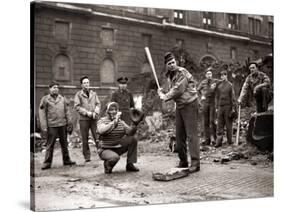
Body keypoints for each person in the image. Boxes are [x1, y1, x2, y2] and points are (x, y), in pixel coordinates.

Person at [158, 52, 200, 173]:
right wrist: (162, 91)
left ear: (176, 62)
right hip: (180, 106)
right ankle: (183, 161)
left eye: (173, 62)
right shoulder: (170, 75)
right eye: (169, 63)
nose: (171, 65)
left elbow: (178, 90)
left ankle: (195, 163)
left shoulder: (182, 72)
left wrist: (165, 96)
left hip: (190, 104)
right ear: (166, 65)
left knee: (191, 135)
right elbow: (171, 89)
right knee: (179, 135)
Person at [39, 81, 76, 170]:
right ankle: (47, 163)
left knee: (64, 144)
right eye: (54, 87)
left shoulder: (62, 99)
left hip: (62, 124)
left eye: (57, 87)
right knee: (50, 144)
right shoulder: (45, 99)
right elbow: (42, 113)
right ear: (50, 89)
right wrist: (44, 125)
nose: (56, 89)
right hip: (52, 125)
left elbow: (67, 111)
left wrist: (69, 123)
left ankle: (66, 160)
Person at [97, 102, 140, 174]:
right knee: (115, 157)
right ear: (107, 112)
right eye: (111, 110)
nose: (114, 111)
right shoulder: (102, 121)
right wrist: (114, 122)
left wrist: (135, 124)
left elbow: (130, 132)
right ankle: (107, 165)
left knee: (133, 139)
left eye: (115, 110)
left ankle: (130, 164)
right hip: (105, 149)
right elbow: (102, 131)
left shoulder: (120, 122)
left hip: (117, 147)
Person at [74, 76, 101, 163]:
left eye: (87, 82)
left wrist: (96, 112)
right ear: (81, 85)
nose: (86, 84)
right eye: (84, 83)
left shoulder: (94, 93)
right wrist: (87, 113)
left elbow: (98, 104)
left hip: (93, 119)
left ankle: (102, 153)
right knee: (85, 138)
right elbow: (77, 107)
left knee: (97, 136)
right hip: (84, 120)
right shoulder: (78, 94)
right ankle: (87, 156)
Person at [214, 70, 236, 147]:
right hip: (220, 107)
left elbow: (233, 97)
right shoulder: (219, 86)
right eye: (221, 75)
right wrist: (216, 107)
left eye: (224, 75)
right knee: (219, 124)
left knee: (228, 124)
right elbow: (217, 97)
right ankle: (219, 142)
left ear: (226, 76)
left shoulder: (230, 85)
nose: (222, 77)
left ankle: (230, 141)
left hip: (228, 106)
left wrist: (233, 108)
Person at [197, 67, 219, 145]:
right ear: (205, 75)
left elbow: (221, 85)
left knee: (212, 121)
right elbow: (198, 89)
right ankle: (207, 139)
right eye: (208, 74)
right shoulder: (203, 82)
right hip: (205, 103)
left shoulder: (215, 81)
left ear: (212, 74)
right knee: (205, 121)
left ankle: (215, 139)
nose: (209, 75)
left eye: (210, 74)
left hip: (212, 102)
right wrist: (202, 95)